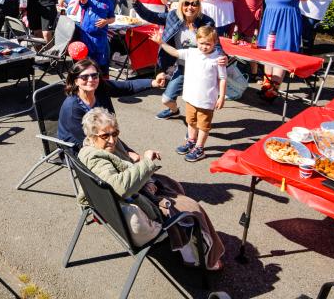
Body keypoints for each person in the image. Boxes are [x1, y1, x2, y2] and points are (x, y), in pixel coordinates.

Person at [77, 107, 224, 269]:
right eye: (105, 136)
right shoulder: (96, 158)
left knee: (171, 184)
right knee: (192, 209)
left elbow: (120, 171)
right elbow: (119, 186)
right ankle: (203, 257)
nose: (112, 140)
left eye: (115, 133)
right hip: (141, 203)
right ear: (91, 136)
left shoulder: (90, 149)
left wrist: (146, 176)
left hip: (122, 201)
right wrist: (146, 162)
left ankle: (187, 248)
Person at [127, 0, 218, 120]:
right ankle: (174, 110)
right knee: (166, 99)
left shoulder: (206, 22)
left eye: (194, 3)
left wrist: (221, 56)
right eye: (186, 3)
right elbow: (151, 16)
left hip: (200, 68)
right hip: (182, 67)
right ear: (181, 4)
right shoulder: (173, 16)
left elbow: (216, 41)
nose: (190, 7)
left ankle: (194, 130)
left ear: (199, 6)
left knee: (195, 102)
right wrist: (135, 1)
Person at [151, 26, 226, 162]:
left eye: (208, 44)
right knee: (190, 122)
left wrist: (221, 96)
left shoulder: (218, 58)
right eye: (202, 43)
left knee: (203, 126)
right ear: (197, 41)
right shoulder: (191, 52)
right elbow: (174, 52)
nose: (204, 47)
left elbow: (222, 79)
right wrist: (161, 42)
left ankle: (199, 148)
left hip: (206, 100)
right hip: (190, 97)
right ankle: (191, 141)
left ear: (215, 43)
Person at [57, 58, 165, 151]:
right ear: (76, 81)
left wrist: (153, 83)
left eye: (94, 76)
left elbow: (128, 86)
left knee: (134, 160)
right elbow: (88, 141)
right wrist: (126, 153)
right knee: (130, 161)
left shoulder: (100, 88)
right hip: (79, 147)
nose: (91, 80)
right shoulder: (72, 108)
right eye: (84, 77)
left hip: (104, 137)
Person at [258, 0, 310, 100]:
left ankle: (272, 91)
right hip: (269, 23)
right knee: (267, 56)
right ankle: (266, 86)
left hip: (286, 25)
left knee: (280, 57)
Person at [78, 0, 115, 73]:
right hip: (86, 37)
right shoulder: (88, 0)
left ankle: (101, 84)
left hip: (101, 39)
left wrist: (106, 21)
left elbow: (113, 18)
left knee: (100, 65)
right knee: (87, 65)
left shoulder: (107, 2)